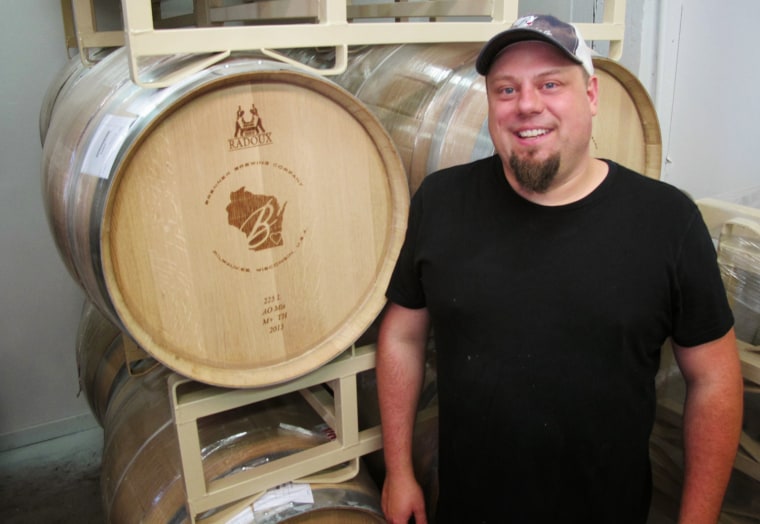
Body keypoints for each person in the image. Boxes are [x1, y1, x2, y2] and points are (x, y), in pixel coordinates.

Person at [375, 14, 744, 524]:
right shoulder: (441, 201)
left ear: (591, 95)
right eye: (506, 89)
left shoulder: (666, 221)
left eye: (551, 84)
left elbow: (715, 382)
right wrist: (399, 471)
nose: (527, 104)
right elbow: (402, 337)